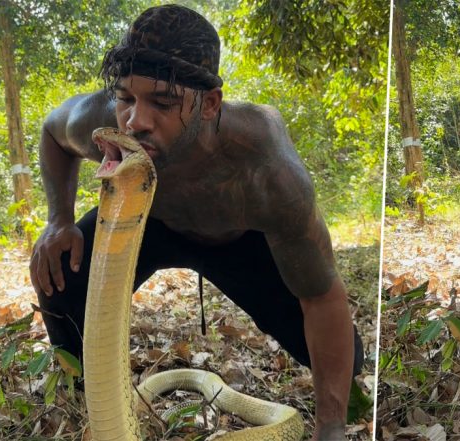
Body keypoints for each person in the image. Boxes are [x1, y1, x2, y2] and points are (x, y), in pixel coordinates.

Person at [29, 5, 363, 440]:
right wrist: (59, 220)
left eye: (162, 103)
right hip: (149, 218)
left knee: (344, 358)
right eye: (126, 98)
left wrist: (330, 427)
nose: (135, 121)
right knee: (60, 272)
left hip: (236, 236)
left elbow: (321, 299)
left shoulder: (268, 172)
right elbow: (52, 134)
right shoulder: (101, 120)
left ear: (209, 104)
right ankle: (79, 393)